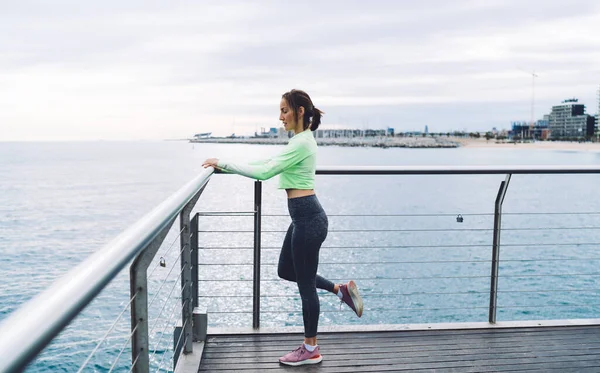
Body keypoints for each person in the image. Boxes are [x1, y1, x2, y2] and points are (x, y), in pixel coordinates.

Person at [202, 89, 363, 366]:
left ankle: (310, 350)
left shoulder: (302, 143)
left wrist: (224, 163)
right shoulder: (301, 141)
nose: (280, 117)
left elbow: (265, 173)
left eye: (284, 111)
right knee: (287, 270)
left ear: (300, 111)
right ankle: (340, 290)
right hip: (304, 218)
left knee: (305, 288)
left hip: (308, 219)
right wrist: (224, 167)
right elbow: (267, 163)